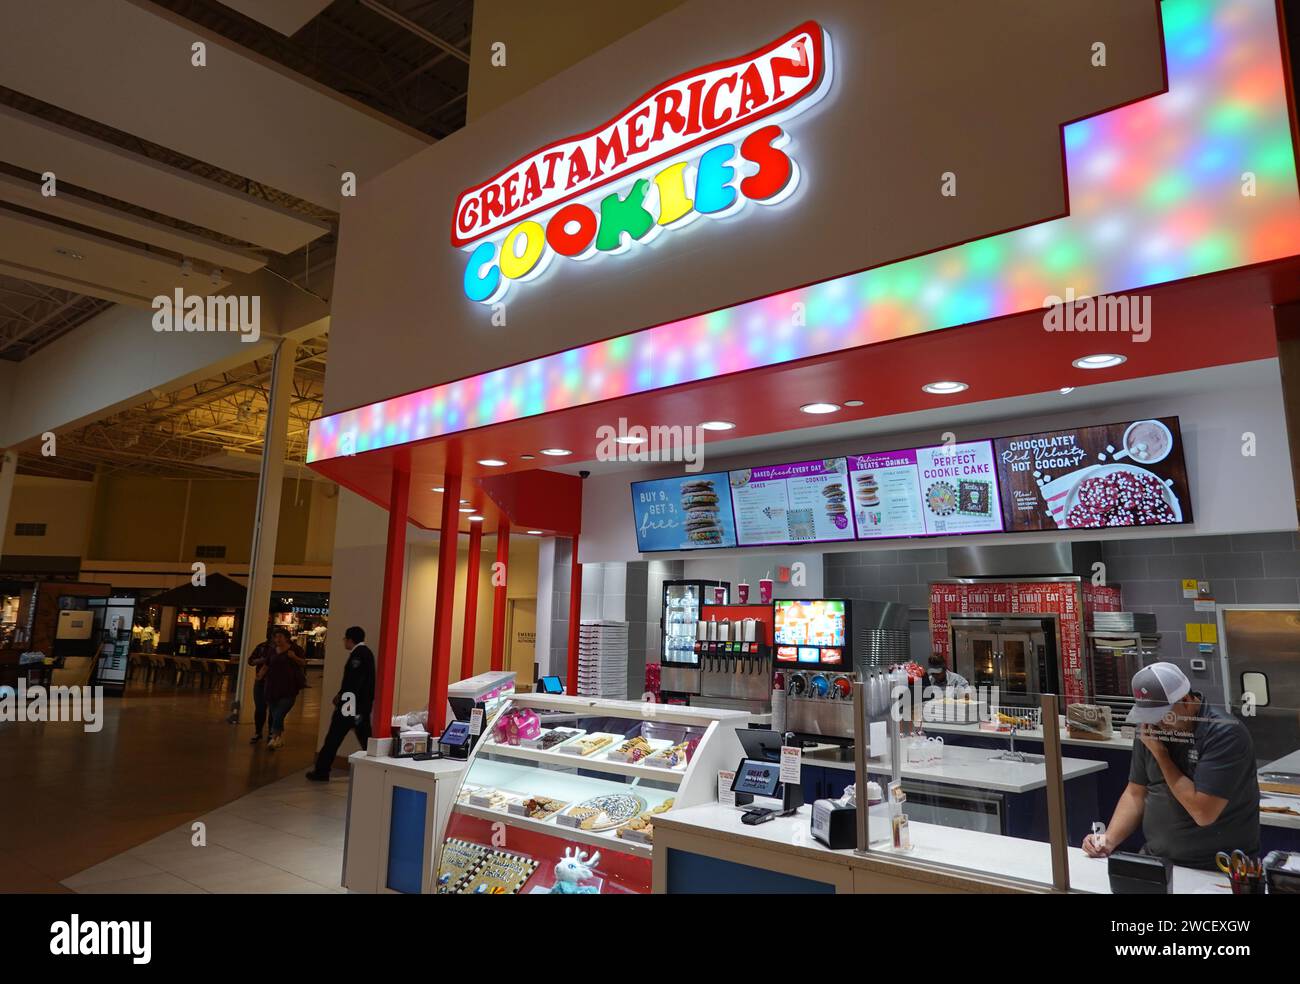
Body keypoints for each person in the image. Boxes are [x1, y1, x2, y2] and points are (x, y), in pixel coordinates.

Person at [1081, 662, 1259, 870]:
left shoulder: (1224, 733)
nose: (1157, 723)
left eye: (1162, 715)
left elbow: (1203, 813)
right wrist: (1108, 840)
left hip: (1217, 868)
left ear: (1185, 700)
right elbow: (1136, 792)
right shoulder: (1150, 730)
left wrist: (1161, 755)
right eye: (1150, 717)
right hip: (1157, 860)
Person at [306, 626, 375, 782]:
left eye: (345, 639)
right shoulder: (366, 653)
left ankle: (321, 771)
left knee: (333, 738)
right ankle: (376, 768)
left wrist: (342, 698)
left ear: (350, 639)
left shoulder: (357, 656)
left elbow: (353, 682)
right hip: (360, 706)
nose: (344, 642)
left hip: (349, 706)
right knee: (366, 739)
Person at [263, 627, 306, 750]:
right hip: (272, 687)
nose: (277, 639)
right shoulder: (272, 651)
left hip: (289, 687)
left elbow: (303, 663)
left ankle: (274, 736)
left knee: (279, 713)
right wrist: (260, 676)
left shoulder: (296, 649)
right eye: (275, 637)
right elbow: (267, 664)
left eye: (280, 637)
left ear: (286, 638)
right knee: (275, 712)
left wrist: (294, 657)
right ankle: (278, 738)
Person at [247, 628, 275, 743]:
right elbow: (250, 661)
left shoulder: (283, 649)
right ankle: (258, 732)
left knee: (273, 710)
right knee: (260, 709)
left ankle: (271, 734)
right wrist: (261, 661)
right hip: (261, 681)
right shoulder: (262, 647)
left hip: (275, 682)